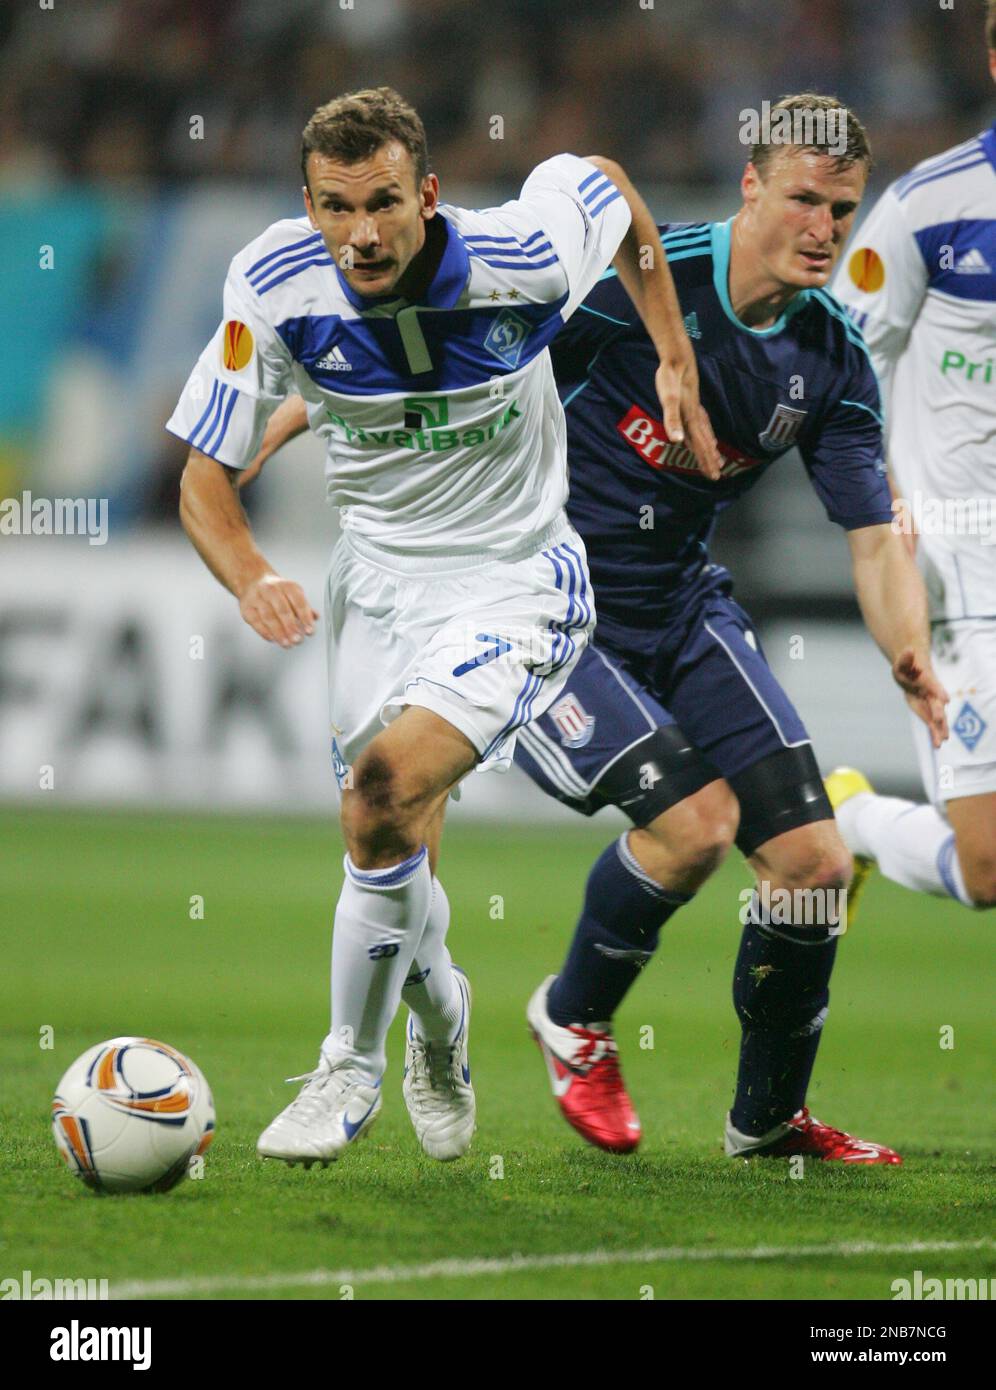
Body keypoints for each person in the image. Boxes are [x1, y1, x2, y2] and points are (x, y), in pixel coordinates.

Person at [167, 86, 717, 1167]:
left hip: (514, 581)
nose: (361, 234)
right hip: (375, 591)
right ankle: (442, 1019)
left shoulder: (526, 251)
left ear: (427, 192)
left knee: (382, 791)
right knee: (385, 836)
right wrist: (248, 576)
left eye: (381, 204)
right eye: (335, 207)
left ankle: (349, 1066)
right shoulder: (269, 285)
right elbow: (202, 480)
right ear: (308, 204)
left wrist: (674, 353)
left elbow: (607, 187)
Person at [510, 93, 949, 1164]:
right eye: (803, 198)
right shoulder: (641, 287)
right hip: (549, 610)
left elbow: (872, 536)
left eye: (843, 210)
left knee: (811, 863)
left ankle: (767, 1119)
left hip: (680, 604)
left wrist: (911, 655)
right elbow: (494, 364)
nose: (824, 228)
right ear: (750, 186)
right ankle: (575, 1016)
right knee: (697, 827)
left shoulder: (832, 358)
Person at [829, 6, 996, 914]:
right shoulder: (928, 208)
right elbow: (850, 370)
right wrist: (886, 515)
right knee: (989, 872)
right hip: (964, 564)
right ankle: (849, 818)